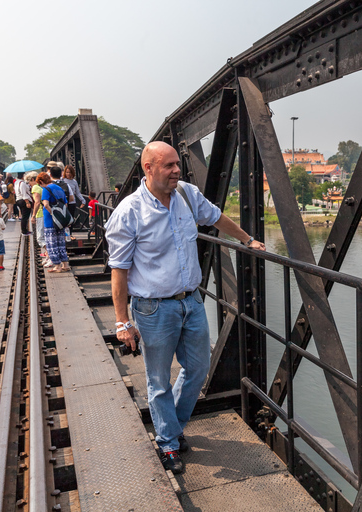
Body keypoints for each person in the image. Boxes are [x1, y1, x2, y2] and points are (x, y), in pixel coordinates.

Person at [105, 141, 265, 474]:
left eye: (178, 163)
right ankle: (167, 443)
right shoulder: (129, 212)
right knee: (159, 380)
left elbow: (216, 217)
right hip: (152, 309)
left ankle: (172, 429)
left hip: (191, 302)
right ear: (148, 168)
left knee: (197, 369)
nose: (177, 170)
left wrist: (247, 240)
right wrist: (122, 322)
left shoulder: (188, 195)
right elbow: (118, 272)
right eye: (169, 165)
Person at [37, 171, 71, 273]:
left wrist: (53, 214)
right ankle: (65, 264)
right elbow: (65, 204)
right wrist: (60, 217)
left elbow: (46, 204)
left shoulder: (46, 189)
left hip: (50, 221)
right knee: (61, 243)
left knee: (51, 244)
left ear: (42, 181)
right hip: (60, 222)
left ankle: (57, 266)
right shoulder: (59, 188)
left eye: (40, 184)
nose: (40, 186)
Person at [62, 165, 85, 241]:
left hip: (72, 202)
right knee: (64, 218)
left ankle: (70, 234)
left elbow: (77, 192)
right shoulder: (62, 180)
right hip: (64, 202)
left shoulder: (74, 182)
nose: (68, 174)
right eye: (67, 172)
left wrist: (83, 200)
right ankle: (63, 234)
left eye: (70, 172)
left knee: (71, 219)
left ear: (72, 173)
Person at [29, 172, 48, 262]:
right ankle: (48, 255)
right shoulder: (44, 187)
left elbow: (37, 202)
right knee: (47, 235)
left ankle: (49, 253)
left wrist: (33, 216)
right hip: (47, 213)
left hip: (40, 213)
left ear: (33, 179)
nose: (29, 184)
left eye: (29, 181)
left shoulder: (36, 187)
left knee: (40, 237)